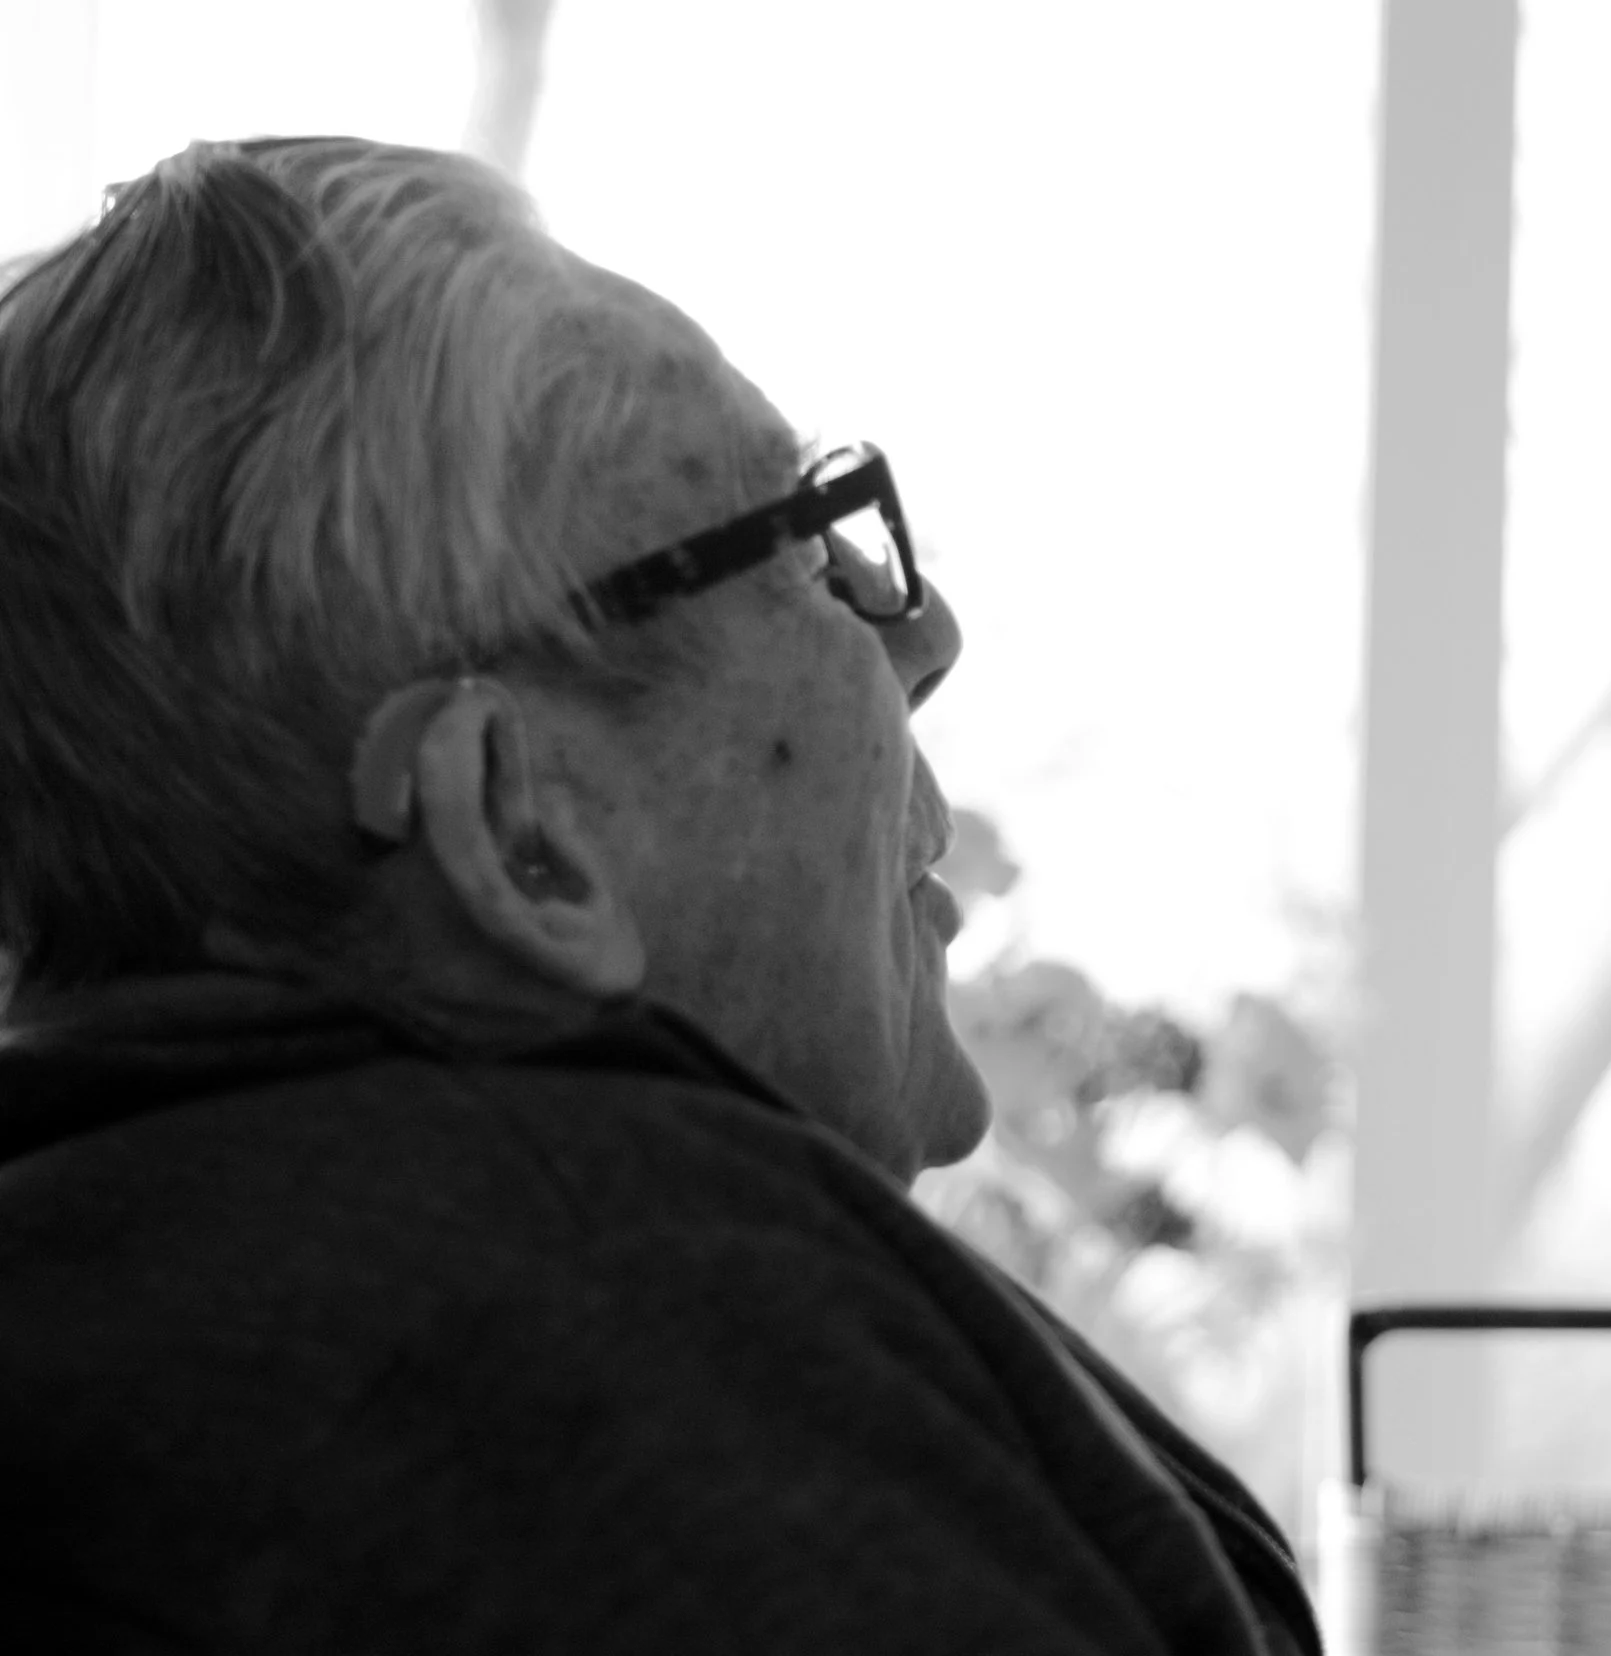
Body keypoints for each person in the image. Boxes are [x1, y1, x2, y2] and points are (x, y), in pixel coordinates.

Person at [0, 136, 1320, 1655]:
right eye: (798, 552)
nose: (926, 633)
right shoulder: (606, 1333)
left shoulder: (126, 1274)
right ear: (523, 833)